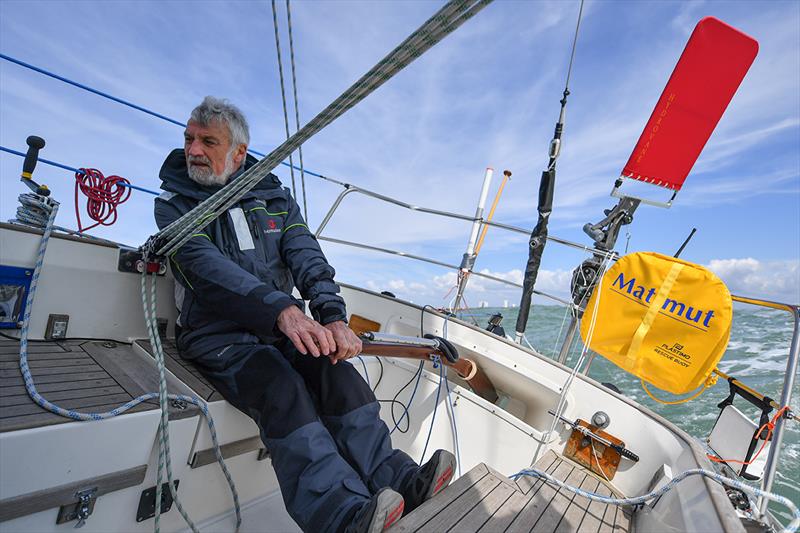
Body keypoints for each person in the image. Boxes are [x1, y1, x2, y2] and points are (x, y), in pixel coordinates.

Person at [154, 96, 455, 533]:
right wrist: (283, 311)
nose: (193, 150)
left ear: (239, 153)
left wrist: (331, 314)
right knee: (283, 390)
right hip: (218, 337)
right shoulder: (174, 204)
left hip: (279, 328)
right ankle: (340, 515)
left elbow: (305, 253)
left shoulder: (274, 197)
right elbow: (207, 269)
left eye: (208, 141)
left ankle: (400, 480)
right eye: (189, 139)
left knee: (339, 376)